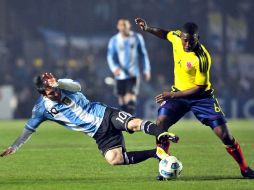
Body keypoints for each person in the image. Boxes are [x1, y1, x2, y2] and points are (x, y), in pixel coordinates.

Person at [135, 18, 254, 179]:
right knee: (161, 123)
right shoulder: (177, 38)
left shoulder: (202, 58)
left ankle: (245, 169)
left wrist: (171, 95)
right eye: (185, 40)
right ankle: (164, 167)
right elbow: (165, 34)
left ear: (197, 39)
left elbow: (199, 88)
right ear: (181, 37)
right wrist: (148, 28)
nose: (187, 44)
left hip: (201, 98)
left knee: (224, 135)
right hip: (178, 94)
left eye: (191, 41)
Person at [1, 73, 178, 168]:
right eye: (51, 92)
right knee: (114, 160)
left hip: (105, 114)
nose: (55, 93)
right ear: (42, 94)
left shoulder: (64, 86)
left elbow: (77, 86)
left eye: (55, 89)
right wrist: (15, 146)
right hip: (98, 133)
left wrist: (59, 83)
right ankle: (155, 153)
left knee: (133, 123)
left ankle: (162, 133)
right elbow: (29, 128)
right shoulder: (41, 109)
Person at [107, 19, 151, 115]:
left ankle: (131, 116)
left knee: (131, 96)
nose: (123, 28)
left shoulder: (136, 37)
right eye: (121, 26)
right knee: (122, 99)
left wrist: (146, 69)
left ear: (129, 26)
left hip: (133, 73)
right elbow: (110, 56)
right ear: (118, 27)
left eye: (125, 26)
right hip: (120, 74)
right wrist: (114, 68)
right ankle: (124, 119)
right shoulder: (114, 40)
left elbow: (143, 54)